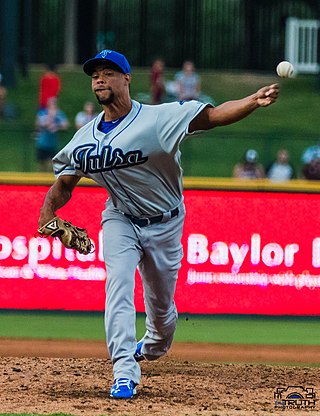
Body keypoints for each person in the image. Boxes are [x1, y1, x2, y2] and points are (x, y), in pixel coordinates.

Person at [37, 49, 279, 399]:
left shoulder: (158, 118)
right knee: (118, 285)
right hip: (119, 218)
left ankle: (150, 345)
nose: (100, 79)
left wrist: (252, 101)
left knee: (162, 314)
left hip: (165, 224)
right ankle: (123, 370)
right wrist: (47, 215)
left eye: (108, 72)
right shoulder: (85, 138)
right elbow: (64, 183)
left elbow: (211, 117)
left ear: (126, 79)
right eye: (95, 75)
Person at [35, 97, 69, 171]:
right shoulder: (43, 113)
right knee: (41, 163)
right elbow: (38, 123)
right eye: (51, 104)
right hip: (42, 142)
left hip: (52, 143)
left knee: (51, 163)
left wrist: (57, 126)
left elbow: (65, 125)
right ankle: (39, 179)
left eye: (54, 104)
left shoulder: (59, 114)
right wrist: (49, 119)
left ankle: (49, 179)